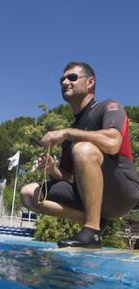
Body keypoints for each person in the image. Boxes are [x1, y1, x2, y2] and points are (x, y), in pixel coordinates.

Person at [20, 62, 139, 248]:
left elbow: (113, 143)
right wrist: (52, 169)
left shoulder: (109, 106)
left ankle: (91, 232)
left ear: (90, 82)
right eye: (62, 79)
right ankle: (96, 221)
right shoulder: (72, 132)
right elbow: (71, 178)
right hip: (90, 198)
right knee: (28, 194)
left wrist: (68, 133)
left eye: (72, 77)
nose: (65, 82)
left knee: (83, 148)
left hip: (122, 193)